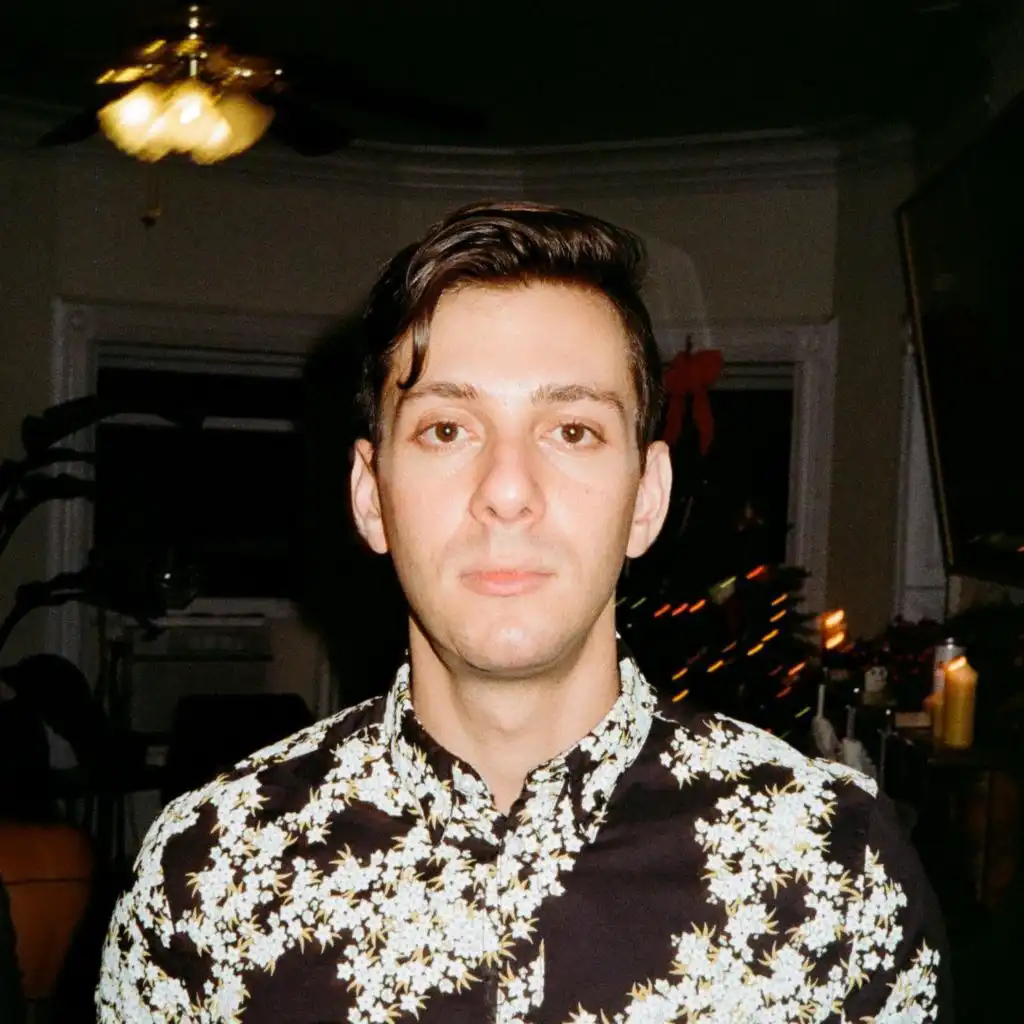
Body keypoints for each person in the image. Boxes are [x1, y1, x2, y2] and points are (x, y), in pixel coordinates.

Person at [97, 202, 949, 1022]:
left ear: (647, 497)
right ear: (370, 495)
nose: (507, 491)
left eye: (572, 430)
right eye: (447, 429)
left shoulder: (833, 868)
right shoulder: (207, 874)